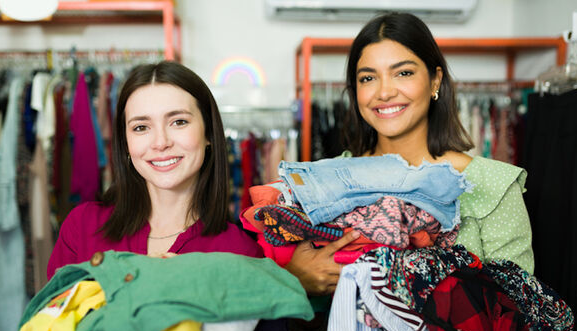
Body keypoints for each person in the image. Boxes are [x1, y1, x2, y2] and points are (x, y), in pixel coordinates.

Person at [285, 12, 534, 295]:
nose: (385, 92)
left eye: (403, 73)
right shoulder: (326, 177)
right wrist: (296, 282)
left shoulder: (492, 185)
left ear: (435, 81)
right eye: (368, 78)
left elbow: (521, 313)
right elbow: (305, 321)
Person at [47, 61, 263, 278]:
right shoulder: (82, 227)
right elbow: (50, 311)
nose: (160, 143)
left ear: (208, 133)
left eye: (178, 122)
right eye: (141, 127)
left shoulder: (242, 253)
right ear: (126, 143)